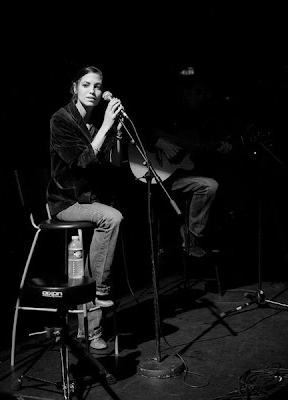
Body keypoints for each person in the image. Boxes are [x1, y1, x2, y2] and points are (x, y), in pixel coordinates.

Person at [47, 65, 125, 349]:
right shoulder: (62, 119)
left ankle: (91, 330)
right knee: (112, 218)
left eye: (98, 86)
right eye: (86, 85)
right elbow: (80, 163)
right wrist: (105, 127)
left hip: (91, 200)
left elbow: (115, 165)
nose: (93, 91)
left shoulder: (96, 122)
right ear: (74, 88)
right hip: (66, 201)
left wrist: (117, 132)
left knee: (105, 233)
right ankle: (100, 292)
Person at [140, 66, 233, 257]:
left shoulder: (201, 121)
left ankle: (192, 238)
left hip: (177, 178)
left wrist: (219, 148)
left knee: (211, 185)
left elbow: (195, 153)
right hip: (152, 176)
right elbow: (137, 129)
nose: (203, 97)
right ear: (186, 91)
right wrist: (159, 142)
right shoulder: (162, 108)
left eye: (205, 94)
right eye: (199, 92)